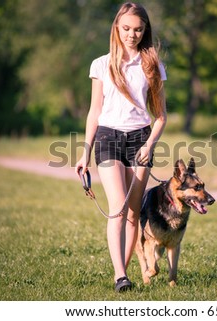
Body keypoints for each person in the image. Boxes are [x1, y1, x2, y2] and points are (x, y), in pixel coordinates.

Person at [75, 2, 167, 292]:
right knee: (117, 208)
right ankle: (120, 276)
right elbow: (94, 111)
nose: (132, 34)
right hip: (107, 138)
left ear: (145, 30)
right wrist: (85, 151)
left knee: (132, 213)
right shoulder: (101, 64)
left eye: (138, 29)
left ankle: (122, 273)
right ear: (116, 27)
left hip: (140, 139)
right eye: (126, 28)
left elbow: (162, 116)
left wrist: (150, 144)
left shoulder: (153, 65)